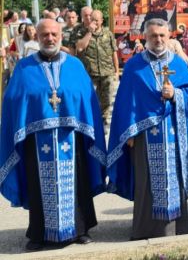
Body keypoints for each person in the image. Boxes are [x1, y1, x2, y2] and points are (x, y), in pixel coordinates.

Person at [0, 19, 106, 251]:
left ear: (61, 36)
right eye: (45, 35)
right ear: (37, 37)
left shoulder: (75, 65)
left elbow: (86, 98)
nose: (50, 39)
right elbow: (12, 100)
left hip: (71, 139)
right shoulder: (24, 67)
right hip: (36, 142)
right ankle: (38, 234)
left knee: (77, 183)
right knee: (39, 188)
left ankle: (80, 229)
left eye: (54, 34)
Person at [107, 18, 188, 240]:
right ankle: (145, 229)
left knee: (175, 179)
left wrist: (176, 95)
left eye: (162, 36)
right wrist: (128, 132)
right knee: (146, 182)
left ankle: (178, 228)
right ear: (145, 37)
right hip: (144, 137)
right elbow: (126, 102)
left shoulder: (178, 63)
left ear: (169, 37)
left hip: (174, 133)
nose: (158, 39)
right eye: (153, 36)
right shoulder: (134, 65)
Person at [70, 9, 120, 133]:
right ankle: (89, 125)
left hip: (107, 72)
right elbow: (80, 48)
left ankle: (105, 128)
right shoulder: (81, 32)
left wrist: (116, 71)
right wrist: (89, 33)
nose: (94, 22)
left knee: (107, 101)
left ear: (102, 21)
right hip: (89, 73)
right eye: (92, 20)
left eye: (97, 20)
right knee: (89, 101)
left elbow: (114, 53)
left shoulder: (108, 33)